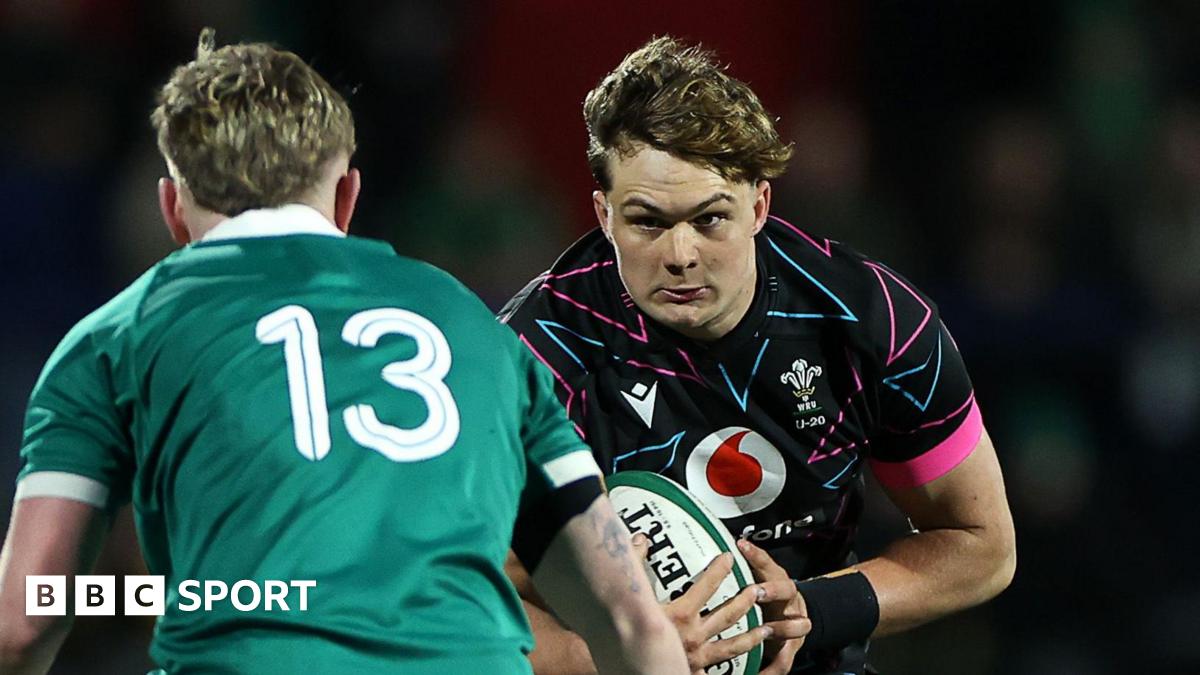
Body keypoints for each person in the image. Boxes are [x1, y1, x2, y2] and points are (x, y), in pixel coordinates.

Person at [0, 31, 690, 675]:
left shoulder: (113, 337)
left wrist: (164, 595)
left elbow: (27, 618)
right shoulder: (476, 326)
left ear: (172, 207)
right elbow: (634, 625)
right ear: (348, 196)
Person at [500, 36, 1017, 675]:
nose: (680, 254)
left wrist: (813, 609)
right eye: (647, 222)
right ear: (604, 215)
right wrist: (620, 655)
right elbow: (459, 582)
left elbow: (981, 545)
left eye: (710, 219)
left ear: (759, 206)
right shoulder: (529, 360)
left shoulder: (872, 320)